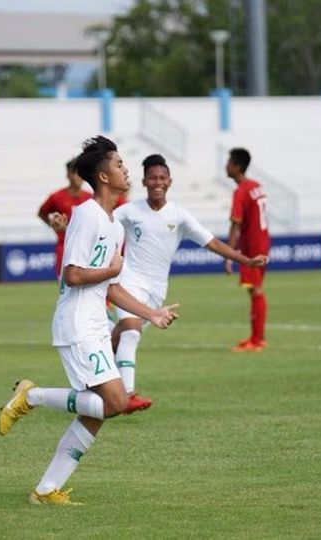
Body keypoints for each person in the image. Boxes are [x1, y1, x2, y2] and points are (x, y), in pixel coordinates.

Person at [0, 136, 179, 506]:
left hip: (94, 323)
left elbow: (112, 288)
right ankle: (29, 396)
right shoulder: (86, 212)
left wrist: (151, 313)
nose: (126, 168)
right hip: (78, 324)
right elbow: (74, 274)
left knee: (97, 413)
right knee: (115, 402)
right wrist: (111, 268)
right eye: (118, 164)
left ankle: (46, 490)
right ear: (103, 175)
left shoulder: (113, 224)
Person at [111, 154, 268, 408]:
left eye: (162, 177)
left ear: (169, 181)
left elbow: (212, 242)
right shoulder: (129, 211)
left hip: (156, 290)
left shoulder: (180, 216)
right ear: (144, 181)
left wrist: (245, 260)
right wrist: (65, 229)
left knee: (115, 339)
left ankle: (91, 377)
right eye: (152, 178)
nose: (157, 182)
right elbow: (100, 223)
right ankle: (127, 395)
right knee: (131, 333)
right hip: (127, 281)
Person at [224, 148, 271, 352]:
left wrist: (229, 254)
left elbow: (236, 224)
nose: (226, 165)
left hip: (252, 247)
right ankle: (256, 337)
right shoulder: (257, 186)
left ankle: (257, 340)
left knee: (256, 290)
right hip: (263, 241)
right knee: (255, 289)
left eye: (229, 162)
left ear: (236, 166)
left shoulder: (241, 191)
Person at [37, 158, 93, 278]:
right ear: (68, 174)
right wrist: (54, 226)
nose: (78, 177)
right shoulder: (57, 197)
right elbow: (42, 213)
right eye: (75, 173)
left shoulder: (90, 197)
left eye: (80, 173)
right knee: (64, 284)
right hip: (65, 246)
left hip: (87, 247)